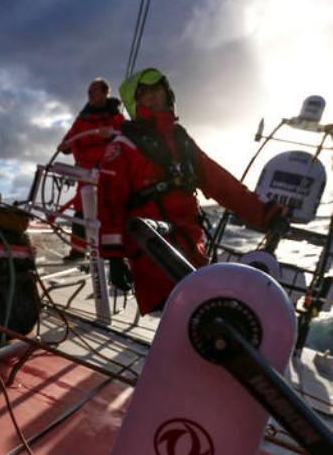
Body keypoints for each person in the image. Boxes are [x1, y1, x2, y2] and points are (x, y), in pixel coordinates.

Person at [99, 67, 287, 314]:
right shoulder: (122, 146)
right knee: (190, 313)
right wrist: (114, 257)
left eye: (159, 91)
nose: (155, 97)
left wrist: (266, 214)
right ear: (135, 104)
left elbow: (221, 183)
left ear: (169, 95)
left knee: (203, 312)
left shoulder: (182, 141)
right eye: (145, 95)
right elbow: (110, 203)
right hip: (153, 253)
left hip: (191, 249)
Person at [58, 78, 125, 262]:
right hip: (85, 174)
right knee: (80, 211)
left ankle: (114, 255)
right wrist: (64, 145)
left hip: (108, 173)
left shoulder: (115, 117)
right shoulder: (82, 119)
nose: (89, 95)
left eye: (93, 91)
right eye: (88, 92)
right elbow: (71, 137)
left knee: (109, 209)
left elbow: (124, 138)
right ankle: (78, 251)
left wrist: (109, 135)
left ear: (105, 93)